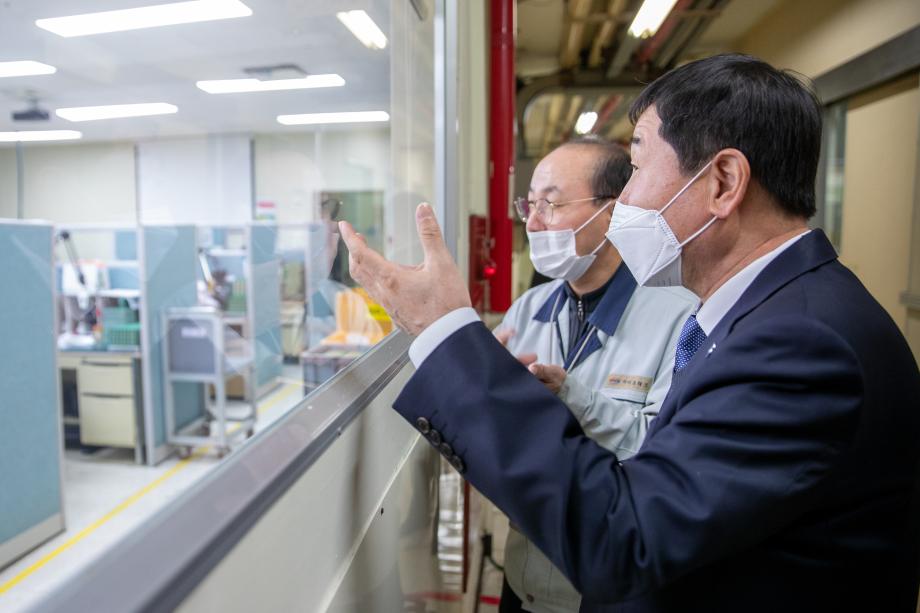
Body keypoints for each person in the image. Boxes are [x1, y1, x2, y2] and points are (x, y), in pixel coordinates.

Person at [340, 54, 920, 611]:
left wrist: (443, 329)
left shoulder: (800, 343)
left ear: (723, 182)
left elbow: (624, 537)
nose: (626, 204)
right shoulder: (767, 314)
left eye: (638, 168)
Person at [495, 137, 695, 613]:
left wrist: (571, 396)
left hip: (612, 587)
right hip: (523, 577)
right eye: (529, 204)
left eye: (551, 204)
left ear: (613, 211)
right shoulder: (527, 309)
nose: (533, 222)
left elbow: (667, 457)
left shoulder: (681, 316)